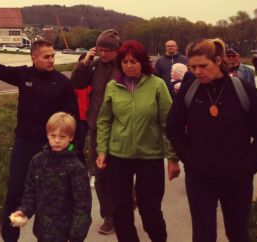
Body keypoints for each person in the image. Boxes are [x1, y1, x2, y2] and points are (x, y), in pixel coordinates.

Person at [0, 40, 79, 242]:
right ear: (34, 58)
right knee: (15, 192)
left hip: (50, 148)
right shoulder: (24, 75)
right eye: (46, 57)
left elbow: (73, 119)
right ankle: (10, 237)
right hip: (23, 144)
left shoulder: (62, 83)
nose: (51, 60)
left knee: (47, 195)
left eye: (53, 56)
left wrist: (73, 148)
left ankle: (47, 237)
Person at [166, 38, 257, 242]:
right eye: (192, 67)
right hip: (200, 179)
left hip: (237, 179)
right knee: (203, 235)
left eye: (203, 66)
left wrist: (250, 165)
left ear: (218, 61)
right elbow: (173, 128)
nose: (197, 71)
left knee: (237, 234)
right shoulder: (189, 90)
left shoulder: (242, 89)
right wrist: (189, 160)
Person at [96, 40, 180, 242]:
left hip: (150, 156)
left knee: (150, 210)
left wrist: (172, 158)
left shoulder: (157, 85)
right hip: (119, 156)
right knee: (121, 210)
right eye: (125, 62)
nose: (129, 66)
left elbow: (169, 123)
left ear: (142, 62)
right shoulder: (112, 87)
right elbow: (104, 120)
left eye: (133, 61)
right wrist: (102, 150)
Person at [10, 112, 92, 242]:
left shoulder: (76, 167)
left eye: (62, 136)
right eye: (53, 136)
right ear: (47, 135)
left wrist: (76, 235)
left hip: (67, 235)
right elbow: (30, 193)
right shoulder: (37, 161)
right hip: (42, 232)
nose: (57, 140)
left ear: (71, 137)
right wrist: (24, 210)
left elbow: (82, 205)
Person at [70, 29, 120, 235]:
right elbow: (76, 82)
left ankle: (124, 209)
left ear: (117, 50)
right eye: (100, 50)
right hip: (97, 127)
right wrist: (85, 63)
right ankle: (109, 216)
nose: (103, 54)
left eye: (108, 50)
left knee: (120, 174)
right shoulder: (95, 66)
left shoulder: (125, 65)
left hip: (120, 129)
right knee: (100, 175)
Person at [73, 52, 91, 166]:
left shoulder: (94, 80)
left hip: (93, 118)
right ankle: (80, 165)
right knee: (77, 144)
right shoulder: (76, 82)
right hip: (80, 118)